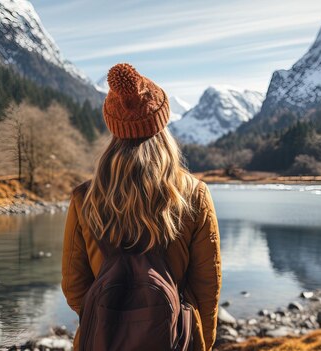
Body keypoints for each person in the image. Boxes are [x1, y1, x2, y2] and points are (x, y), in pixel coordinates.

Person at [61, 63, 221, 351]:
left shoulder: (85, 197)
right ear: (162, 124)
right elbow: (207, 286)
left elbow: (74, 286)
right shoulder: (194, 194)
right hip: (175, 339)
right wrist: (201, 341)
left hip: (102, 340)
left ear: (113, 128)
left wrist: (108, 319)